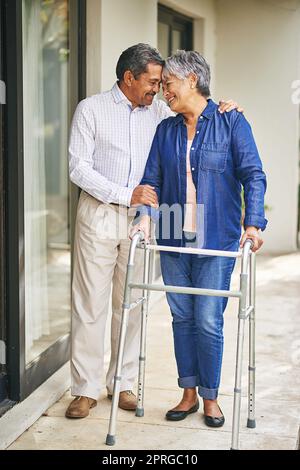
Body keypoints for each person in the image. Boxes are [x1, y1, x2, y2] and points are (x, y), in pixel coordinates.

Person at [66, 43, 242, 419]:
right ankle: (84, 389)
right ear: (129, 78)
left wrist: (226, 107)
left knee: (130, 305)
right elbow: (78, 169)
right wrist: (124, 193)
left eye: (163, 82)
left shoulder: (160, 111)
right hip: (100, 214)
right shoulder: (91, 110)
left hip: (142, 222)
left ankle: (124, 383)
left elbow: (195, 108)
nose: (159, 88)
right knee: (89, 306)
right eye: (152, 81)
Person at [131, 50, 267, 427]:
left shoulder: (230, 122)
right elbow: (152, 182)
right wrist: (144, 219)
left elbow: (253, 175)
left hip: (216, 241)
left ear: (192, 80)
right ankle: (188, 393)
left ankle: (211, 397)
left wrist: (253, 224)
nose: (163, 93)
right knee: (181, 318)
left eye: (169, 85)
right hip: (174, 238)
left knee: (208, 320)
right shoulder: (167, 129)